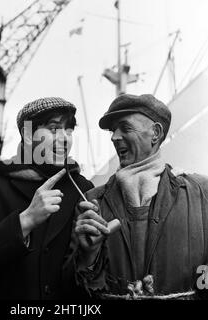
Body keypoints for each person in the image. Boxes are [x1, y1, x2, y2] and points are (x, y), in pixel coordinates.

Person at [0, 97, 94, 300]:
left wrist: (91, 252)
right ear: (27, 133)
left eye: (69, 129)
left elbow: (91, 279)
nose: (65, 138)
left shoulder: (82, 188)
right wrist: (25, 221)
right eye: (53, 128)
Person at [74, 93, 208, 299]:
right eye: (113, 130)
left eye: (125, 128)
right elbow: (74, 293)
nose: (114, 137)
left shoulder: (201, 193)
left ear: (155, 133)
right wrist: (89, 256)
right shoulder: (91, 203)